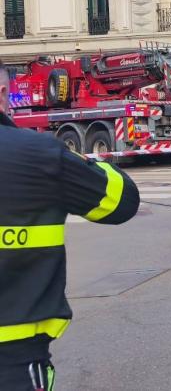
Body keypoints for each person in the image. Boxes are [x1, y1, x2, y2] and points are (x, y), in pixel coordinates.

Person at [0, 61, 140, 390]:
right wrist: (81, 163)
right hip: (13, 360)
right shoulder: (39, 153)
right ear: (3, 92)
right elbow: (122, 202)